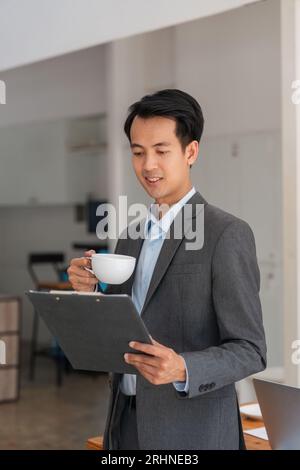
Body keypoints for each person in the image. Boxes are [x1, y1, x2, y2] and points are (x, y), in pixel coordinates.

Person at [67, 89, 267, 450]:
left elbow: (250, 349)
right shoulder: (130, 237)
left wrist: (183, 369)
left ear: (190, 152)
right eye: (138, 152)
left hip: (192, 433)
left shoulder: (225, 234)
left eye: (161, 151)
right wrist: (91, 292)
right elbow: (123, 325)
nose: (148, 166)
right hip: (124, 423)